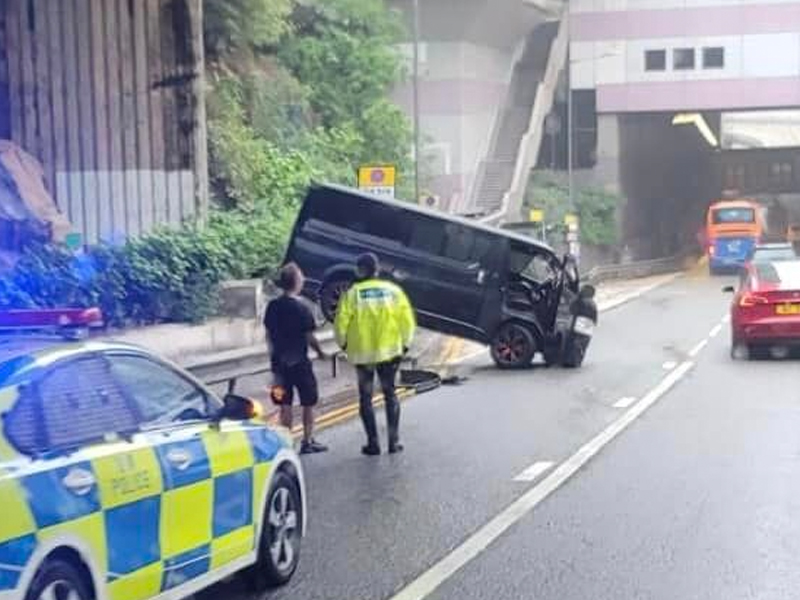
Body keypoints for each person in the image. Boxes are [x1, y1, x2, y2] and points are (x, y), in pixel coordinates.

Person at [335, 253, 416, 456]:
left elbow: (340, 324)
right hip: (389, 353)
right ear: (377, 270)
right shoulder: (393, 292)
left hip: (363, 356)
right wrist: (405, 345)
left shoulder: (352, 294)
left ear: (360, 270)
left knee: (366, 398)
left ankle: (373, 443)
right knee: (390, 394)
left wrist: (344, 345)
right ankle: (393, 441)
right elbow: (407, 321)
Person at [264, 263, 328, 455]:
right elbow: (310, 337)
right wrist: (320, 353)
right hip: (300, 363)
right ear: (297, 282)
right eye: (301, 277)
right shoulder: (303, 308)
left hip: (279, 365)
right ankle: (307, 441)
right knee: (309, 402)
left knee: (284, 404)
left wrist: (273, 358)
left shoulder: (272, 307)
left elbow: (268, 335)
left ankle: (287, 443)